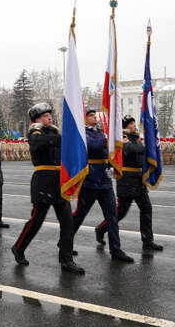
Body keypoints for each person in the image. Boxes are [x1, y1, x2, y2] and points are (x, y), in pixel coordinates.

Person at [10, 103, 83, 273]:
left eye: (49, 115)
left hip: (60, 182)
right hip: (43, 181)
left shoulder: (56, 133)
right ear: (36, 120)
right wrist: (64, 139)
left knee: (67, 221)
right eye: (44, 116)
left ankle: (66, 259)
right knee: (36, 220)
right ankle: (18, 247)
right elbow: (38, 144)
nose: (49, 117)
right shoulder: (36, 132)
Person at [71, 108, 134, 262]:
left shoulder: (101, 133)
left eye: (95, 115)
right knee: (80, 215)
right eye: (91, 115)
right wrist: (109, 140)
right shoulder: (83, 133)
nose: (95, 118)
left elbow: (107, 151)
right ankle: (65, 242)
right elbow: (93, 146)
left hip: (105, 181)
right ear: (84, 118)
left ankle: (116, 249)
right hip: (90, 181)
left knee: (112, 216)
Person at [94, 115, 163, 251]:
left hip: (139, 180)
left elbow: (141, 156)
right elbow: (129, 150)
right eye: (130, 124)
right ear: (125, 127)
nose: (134, 125)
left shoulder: (137, 140)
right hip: (126, 181)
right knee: (120, 212)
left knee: (146, 209)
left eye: (133, 123)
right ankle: (101, 229)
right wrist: (149, 148)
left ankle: (147, 240)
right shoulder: (123, 139)